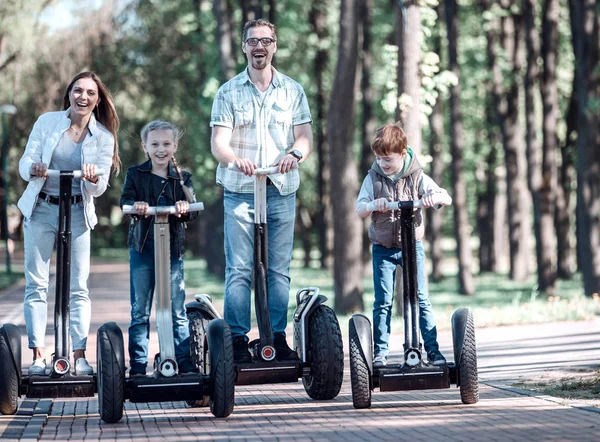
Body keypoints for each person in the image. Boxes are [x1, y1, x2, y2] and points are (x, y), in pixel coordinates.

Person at [210, 18, 313, 363]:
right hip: (240, 189)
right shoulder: (228, 91)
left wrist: (295, 154)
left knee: (278, 268)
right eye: (253, 41)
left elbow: (304, 137)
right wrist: (235, 160)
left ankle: (276, 337)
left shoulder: (292, 90)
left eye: (266, 41)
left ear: (274, 46)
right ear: (244, 47)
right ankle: (237, 341)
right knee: (240, 268)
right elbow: (218, 144)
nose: (259, 47)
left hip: (280, 188)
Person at [18, 71, 120, 375]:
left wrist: (91, 180)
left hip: (77, 211)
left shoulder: (103, 137)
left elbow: (98, 187)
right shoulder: (47, 122)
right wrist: (34, 168)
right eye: (78, 91)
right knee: (37, 284)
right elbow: (26, 162)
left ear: (97, 99)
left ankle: (78, 355)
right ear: (70, 93)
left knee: (78, 287)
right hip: (42, 208)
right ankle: (38, 354)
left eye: (90, 93)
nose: (83, 97)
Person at [356, 122, 450, 368]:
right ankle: (380, 353)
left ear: (403, 152)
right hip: (383, 249)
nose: (382, 164)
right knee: (383, 301)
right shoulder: (373, 178)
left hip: (412, 247)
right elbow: (359, 209)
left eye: (387, 159)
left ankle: (432, 350)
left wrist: (432, 197)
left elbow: (445, 197)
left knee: (421, 298)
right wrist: (372, 205)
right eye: (378, 158)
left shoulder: (418, 176)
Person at [120, 120, 198, 376]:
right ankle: (139, 367)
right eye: (155, 144)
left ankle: (185, 364)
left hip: (172, 250)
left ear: (174, 146)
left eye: (166, 144)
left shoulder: (182, 177)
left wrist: (185, 208)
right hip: (143, 249)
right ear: (145, 147)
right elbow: (126, 201)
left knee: (176, 309)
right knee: (140, 310)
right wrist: (136, 206)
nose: (161, 149)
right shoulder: (135, 173)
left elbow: (191, 210)